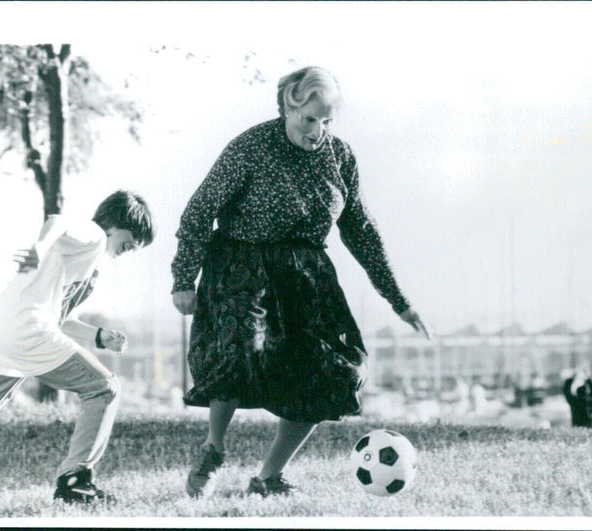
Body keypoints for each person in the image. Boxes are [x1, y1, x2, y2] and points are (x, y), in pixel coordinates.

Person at [171, 66, 428, 498]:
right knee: (239, 350)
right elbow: (199, 211)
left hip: (306, 275)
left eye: (327, 121)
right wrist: (183, 278)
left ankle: (269, 477)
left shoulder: (340, 157)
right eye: (309, 119)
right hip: (242, 262)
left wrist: (399, 301)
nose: (317, 131)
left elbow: (361, 229)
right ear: (287, 107)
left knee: (331, 370)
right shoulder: (250, 147)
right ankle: (213, 450)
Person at [0, 190, 155, 504]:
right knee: (104, 388)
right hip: (28, 331)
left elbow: (61, 318)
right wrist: (38, 247)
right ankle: (75, 481)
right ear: (118, 223)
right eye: (135, 237)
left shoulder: (82, 257)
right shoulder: (93, 235)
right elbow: (58, 221)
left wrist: (99, 335)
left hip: (1, 328)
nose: (133, 247)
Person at [563, 364, 592, 428]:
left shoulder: (588, 383)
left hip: (587, 412)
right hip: (576, 411)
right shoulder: (571, 383)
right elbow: (567, 393)